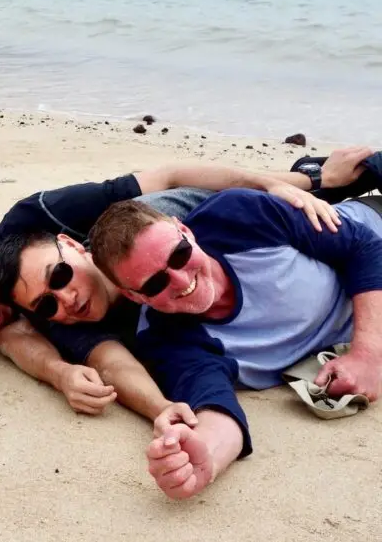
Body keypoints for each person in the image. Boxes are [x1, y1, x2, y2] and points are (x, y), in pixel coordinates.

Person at [0, 146, 380, 423]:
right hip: (183, 287)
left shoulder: (34, 218)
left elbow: (168, 174)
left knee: (328, 196)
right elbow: (15, 340)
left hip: (185, 223)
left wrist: (294, 182)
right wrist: (65, 377)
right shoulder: (34, 312)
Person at [85, 187, 382, 500]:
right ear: (134, 296)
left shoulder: (238, 217)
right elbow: (213, 401)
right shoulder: (167, 338)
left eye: (180, 254)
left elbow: (364, 247)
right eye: (155, 283)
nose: (183, 281)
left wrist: (368, 352)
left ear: (184, 230)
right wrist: (205, 459)